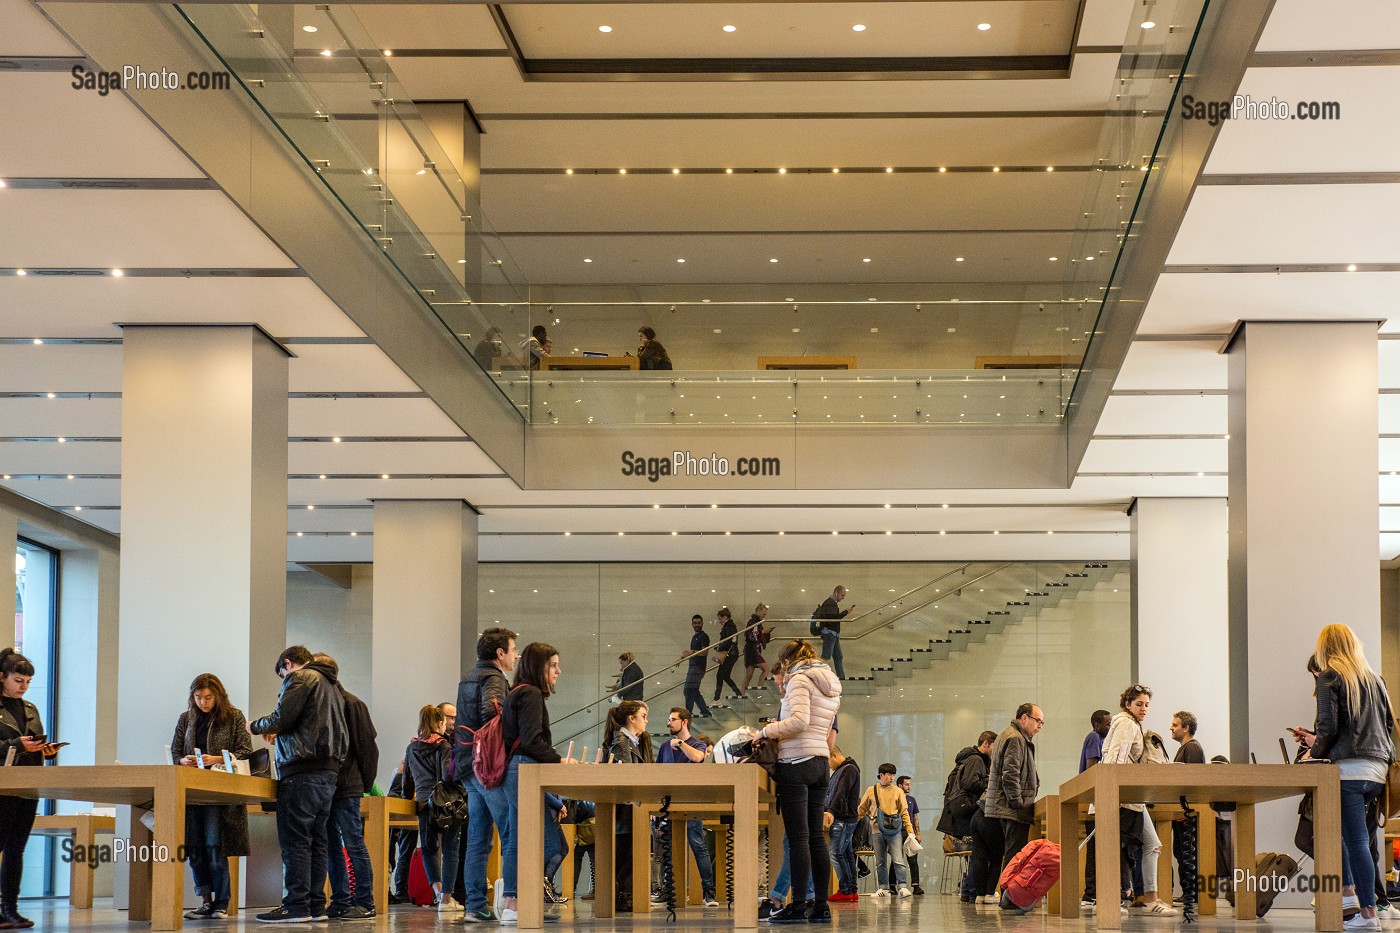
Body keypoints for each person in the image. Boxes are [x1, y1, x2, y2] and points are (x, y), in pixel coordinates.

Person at [1298, 624, 1396, 932]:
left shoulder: (1330, 676)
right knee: (1349, 838)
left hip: (1348, 772)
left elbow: (1327, 726)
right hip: (1377, 772)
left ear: (1324, 648)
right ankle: (1350, 898)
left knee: (1353, 841)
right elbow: (1389, 727)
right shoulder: (1376, 681)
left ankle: (1366, 914)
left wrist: (1313, 754)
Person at [248, 646, 348, 924]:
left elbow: (283, 716)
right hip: (328, 771)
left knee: (296, 842)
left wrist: (256, 726)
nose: (284, 678)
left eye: (282, 674)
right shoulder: (332, 687)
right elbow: (306, 722)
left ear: (288, 664)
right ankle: (316, 906)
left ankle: (296, 905)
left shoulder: (301, 678)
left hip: (301, 770)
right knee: (318, 841)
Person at [758, 639, 841, 924]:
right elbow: (825, 726)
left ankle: (797, 906)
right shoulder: (829, 682)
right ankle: (820, 906)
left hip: (796, 763)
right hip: (820, 763)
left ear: (787, 661)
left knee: (798, 839)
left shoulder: (799, 679)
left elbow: (798, 722)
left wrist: (764, 732)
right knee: (816, 838)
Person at [171, 673, 254, 921]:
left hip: (219, 793)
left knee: (215, 848)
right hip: (192, 792)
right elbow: (176, 750)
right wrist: (183, 760)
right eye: (198, 697)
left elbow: (246, 751)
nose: (203, 702)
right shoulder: (186, 719)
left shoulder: (234, 716)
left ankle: (222, 903)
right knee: (195, 849)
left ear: (218, 696)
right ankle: (205, 901)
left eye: (208, 697)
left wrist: (217, 758)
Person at [502, 642, 573, 924]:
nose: (558, 670)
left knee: (519, 839)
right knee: (548, 842)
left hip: (516, 770)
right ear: (539, 666)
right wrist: (558, 761)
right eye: (553, 665)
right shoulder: (531, 694)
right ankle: (516, 901)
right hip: (525, 769)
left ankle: (514, 902)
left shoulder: (518, 692)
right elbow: (532, 740)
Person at [454, 627, 518, 924]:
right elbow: (492, 713)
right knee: (509, 834)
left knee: (478, 840)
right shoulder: (493, 678)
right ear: (500, 653)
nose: (516, 654)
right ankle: (510, 903)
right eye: (512, 649)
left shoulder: (468, 677)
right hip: (488, 767)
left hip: (467, 765)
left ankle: (475, 906)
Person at [311, 654, 379, 922]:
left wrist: (362, 783)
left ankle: (365, 902)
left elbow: (368, 748)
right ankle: (339, 900)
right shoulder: (326, 704)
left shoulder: (351, 703)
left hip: (346, 785)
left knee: (353, 843)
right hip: (327, 785)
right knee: (330, 845)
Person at [1102, 685, 1177, 916]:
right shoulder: (1126, 724)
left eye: (1146, 705)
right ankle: (1119, 900)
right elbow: (1117, 757)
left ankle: (1149, 899)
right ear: (1128, 704)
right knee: (1121, 848)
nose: (1144, 709)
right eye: (1139, 704)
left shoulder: (1129, 723)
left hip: (1129, 797)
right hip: (1122, 796)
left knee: (1150, 845)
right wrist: (1114, 794)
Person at [0, 648, 59, 929]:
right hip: (2, 786)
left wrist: (44, 750)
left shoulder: (30, 709)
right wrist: (16, 745)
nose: (23, 687)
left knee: (16, 849)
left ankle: (10, 908)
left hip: (27, 785)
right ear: (2, 677)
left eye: (27, 682)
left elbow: (32, 744)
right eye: (18, 680)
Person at [658, 708, 719, 907]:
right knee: (666, 849)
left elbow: (697, 757)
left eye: (673, 720)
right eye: (668, 719)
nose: (669, 723)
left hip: (691, 802)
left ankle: (709, 892)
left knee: (698, 846)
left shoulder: (696, 744)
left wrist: (681, 744)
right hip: (668, 802)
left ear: (684, 722)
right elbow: (657, 773)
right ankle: (669, 891)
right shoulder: (665, 747)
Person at [407, 705, 463, 913]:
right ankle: (447, 898)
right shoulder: (443, 745)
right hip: (445, 803)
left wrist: (407, 800)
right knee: (450, 850)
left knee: (429, 849)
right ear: (440, 723)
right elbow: (447, 776)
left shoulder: (411, 747)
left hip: (422, 803)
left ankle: (438, 892)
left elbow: (407, 780)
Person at [604, 700, 653, 912]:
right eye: (643, 716)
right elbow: (627, 775)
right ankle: (621, 895)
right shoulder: (621, 740)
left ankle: (624, 895)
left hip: (634, 808)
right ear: (631, 718)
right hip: (625, 810)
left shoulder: (636, 741)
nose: (646, 721)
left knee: (633, 852)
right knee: (625, 855)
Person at [984, 703, 1042, 877]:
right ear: (1024, 718)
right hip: (1012, 808)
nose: (1039, 726)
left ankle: (1009, 895)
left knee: (1011, 853)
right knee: (1014, 856)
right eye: (1037, 721)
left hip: (1006, 806)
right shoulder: (1016, 737)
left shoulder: (1009, 734)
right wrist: (1019, 803)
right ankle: (1010, 896)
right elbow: (1010, 774)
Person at [937, 731, 995, 903]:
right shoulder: (976, 759)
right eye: (994, 746)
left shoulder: (969, 759)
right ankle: (972, 890)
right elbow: (971, 783)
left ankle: (969, 890)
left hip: (962, 811)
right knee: (979, 851)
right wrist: (991, 780)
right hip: (969, 809)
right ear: (986, 744)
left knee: (976, 851)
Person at [858, 763, 913, 898]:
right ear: (881, 775)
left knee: (898, 859)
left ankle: (902, 886)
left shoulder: (898, 791)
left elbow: (904, 812)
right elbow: (862, 809)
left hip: (894, 830)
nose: (892, 778)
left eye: (893, 774)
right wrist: (852, 822)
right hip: (876, 830)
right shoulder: (872, 790)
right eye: (889, 774)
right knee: (880, 861)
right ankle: (884, 888)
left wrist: (910, 830)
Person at [1077, 710, 1112, 908]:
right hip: (1094, 802)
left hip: (1096, 801)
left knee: (1096, 849)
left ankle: (1092, 893)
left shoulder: (1101, 740)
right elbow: (1093, 770)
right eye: (1107, 724)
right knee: (1095, 849)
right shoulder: (1094, 737)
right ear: (1098, 725)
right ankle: (1090, 894)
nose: (1110, 727)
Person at [823, 745, 861, 902]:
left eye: (827, 762)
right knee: (845, 854)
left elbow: (841, 793)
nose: (828, 766)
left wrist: (831, 810)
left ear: (833, 755)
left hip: (843, 818)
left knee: (835, 853)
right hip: (844, 818)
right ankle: (851, 890)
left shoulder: (849, 769)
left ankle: (845, 890)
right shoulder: (843, 770)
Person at [387, 758, 417, 904]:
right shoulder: (406, 770)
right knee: (404, 852)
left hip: (393, 809)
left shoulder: (398, 768)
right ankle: (401, 890)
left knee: (392, 852)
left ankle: (393, 890)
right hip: (407, 808)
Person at [814, 586, 853, 680]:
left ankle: (842, 678)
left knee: (838, 656)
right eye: (842, 595)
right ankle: (815, 675)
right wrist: (845, 612)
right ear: (836, 593)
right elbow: (833, 620)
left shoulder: (830, 603)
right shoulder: (830, 603)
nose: (843, 597)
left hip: (832, 634)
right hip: (830, 633)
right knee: (826, 656)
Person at [680, 615, 713, 719]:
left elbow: (705, 652)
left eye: (698, 622)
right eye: (695, 623)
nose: (697, 625)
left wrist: (691, 652)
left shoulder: (703, 636)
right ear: (692, 624)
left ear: (702, 623)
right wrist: (682, 657)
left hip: (697, 667)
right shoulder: (695, 636)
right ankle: (704, 711)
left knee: (688, 690)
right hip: (694, 667)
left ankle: (688, 714)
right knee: (693, 690)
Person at [897, 775, 924, 894]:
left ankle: (916, 886)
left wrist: (918, 833)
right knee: (897, 859)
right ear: (900, 785)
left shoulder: (911, 800)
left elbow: (915, 817)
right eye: (906, 784)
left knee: (913, 859)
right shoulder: (895, 799)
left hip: (910, 833)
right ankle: (893, 885)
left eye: (909, 784)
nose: (909, 787)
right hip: (897, 833)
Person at [712, 608, 743, 701]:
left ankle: (716, 698)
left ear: (725, 617)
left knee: (720, 675)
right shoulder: (730, 625)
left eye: (720, 619)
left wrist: (720, 648)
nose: (719, 621)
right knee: (724, 675)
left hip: (730, 654)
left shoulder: (729, 626)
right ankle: (738, 693)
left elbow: (729, 640)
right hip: (731, 654)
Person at [740, 604, 772, 695]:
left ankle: (742, 694)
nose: (764, 614)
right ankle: (759, 689)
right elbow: (749, 635)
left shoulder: (758, 623)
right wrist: (762, 632)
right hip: (752, 649)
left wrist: (766, 633)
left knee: (749, 676)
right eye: (763, 612)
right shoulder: (752, 622)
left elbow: (761, 638)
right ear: (757, 611)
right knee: (766, 669)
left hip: (752, 649)